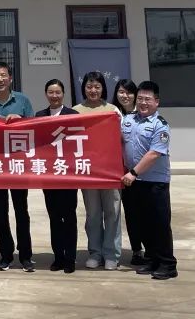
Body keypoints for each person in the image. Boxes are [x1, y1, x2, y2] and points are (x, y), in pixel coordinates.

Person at [0, 61, 36, 272]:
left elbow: (35, 127)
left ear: (10, 78)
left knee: (21, 211)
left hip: (18, 164)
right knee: (0, 212)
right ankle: (6, 255)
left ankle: (26, 256)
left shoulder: (22, 100)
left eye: (4, 75)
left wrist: (21, 119)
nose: (0, 79)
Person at [121, 81, 177, 280]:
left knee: (159, 224)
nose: (143, 103)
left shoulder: (160, 125)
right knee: (142, 223)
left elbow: (154, 153)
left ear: (156, 102)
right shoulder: (128, 120)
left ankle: (168, 264)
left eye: (147, 99)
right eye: (140, 99)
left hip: (154, 182)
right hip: (134, 182)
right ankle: (152, 259)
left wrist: (133, 172)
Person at [72, 71, 123, 270]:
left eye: (97, 86)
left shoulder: (112, 110)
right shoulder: (75, 111)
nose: (93, 90)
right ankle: (95, 252)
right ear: (83, 88)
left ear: (103, 88)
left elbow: (122, 138)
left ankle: (111, 254)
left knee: (112, 212)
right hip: (88, 171)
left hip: (110, 171)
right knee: (93, 214)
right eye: (89, 86)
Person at [36, 79, 79, 273]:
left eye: (58, 92)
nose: (54, 96)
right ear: (46, 94)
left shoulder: (73, 115)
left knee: (69, 217)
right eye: (51, 92)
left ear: (63, 94)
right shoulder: (40, 116)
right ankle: (58, 257)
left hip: (68, 175)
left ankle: (70, 258)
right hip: (49, 175)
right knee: (54, 217)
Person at [111, 78, 146, 267]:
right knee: (131, 212)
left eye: (129, 92)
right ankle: (136, 250)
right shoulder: (112, 113)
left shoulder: (143, 114)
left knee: (146, 212)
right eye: (121, 92)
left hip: (143, 171)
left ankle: (151, 248)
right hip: (123, 173)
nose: (125, 96)